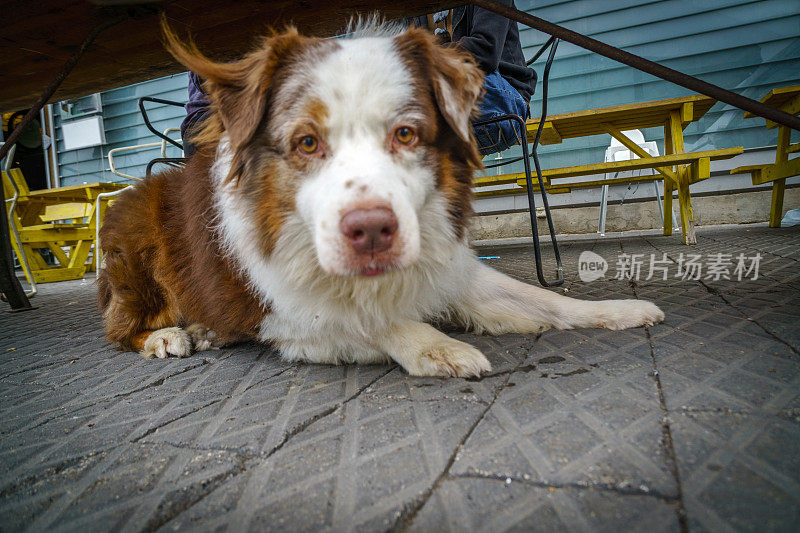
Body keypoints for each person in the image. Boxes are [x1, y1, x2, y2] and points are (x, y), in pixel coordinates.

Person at [180, 1, 535, 157]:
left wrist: (414, 62)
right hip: (439, 92)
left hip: (501, 94)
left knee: (396, 118)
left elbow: (485, 51)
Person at [412, 1, 536, 155]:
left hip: (502, 99)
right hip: (447, 104)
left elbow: (485, 50)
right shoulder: (411, 9)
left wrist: (421, 55)